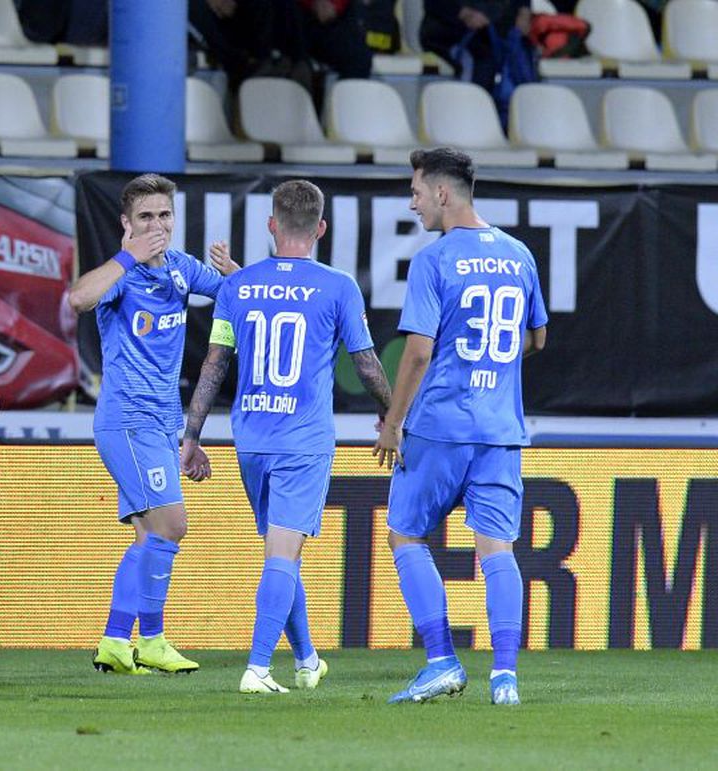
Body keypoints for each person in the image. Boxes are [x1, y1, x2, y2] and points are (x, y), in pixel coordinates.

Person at [181, 180, 392, 693]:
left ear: (272, 225)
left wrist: (191, 435)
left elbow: (215, 364)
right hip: (303, 438)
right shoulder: (339, 286)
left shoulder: (238, 286)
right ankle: (256, 668)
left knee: (281, 547)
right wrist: (393, 414)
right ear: (320, 229)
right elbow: (365, 365)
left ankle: (306, 660)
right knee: (283, 552)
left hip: (250, 437)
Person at [374, 147, 547, 706]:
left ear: (443, 194)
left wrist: (393, 423)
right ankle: (505, 678)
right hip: (501, 429)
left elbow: (418, 352)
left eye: (417, 191)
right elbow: (536, 337)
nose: (414, 201)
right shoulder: (519, 254)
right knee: (497, 548)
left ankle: (442, 661)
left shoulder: (435, 258)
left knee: (405, 532)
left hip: (441, 425)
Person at [67, 173, 237, 676]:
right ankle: (155, 639)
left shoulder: (182, 269)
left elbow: (242, 296)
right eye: (145, 217)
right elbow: (78, 298)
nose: (157, 225)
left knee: (148, 536)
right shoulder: (120, 276)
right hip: (127, 421)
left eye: (164, 215)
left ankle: (118, 642)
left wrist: (236, 272)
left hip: (163, 423)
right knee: (172, 524)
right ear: (126, 223)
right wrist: (128, 256)